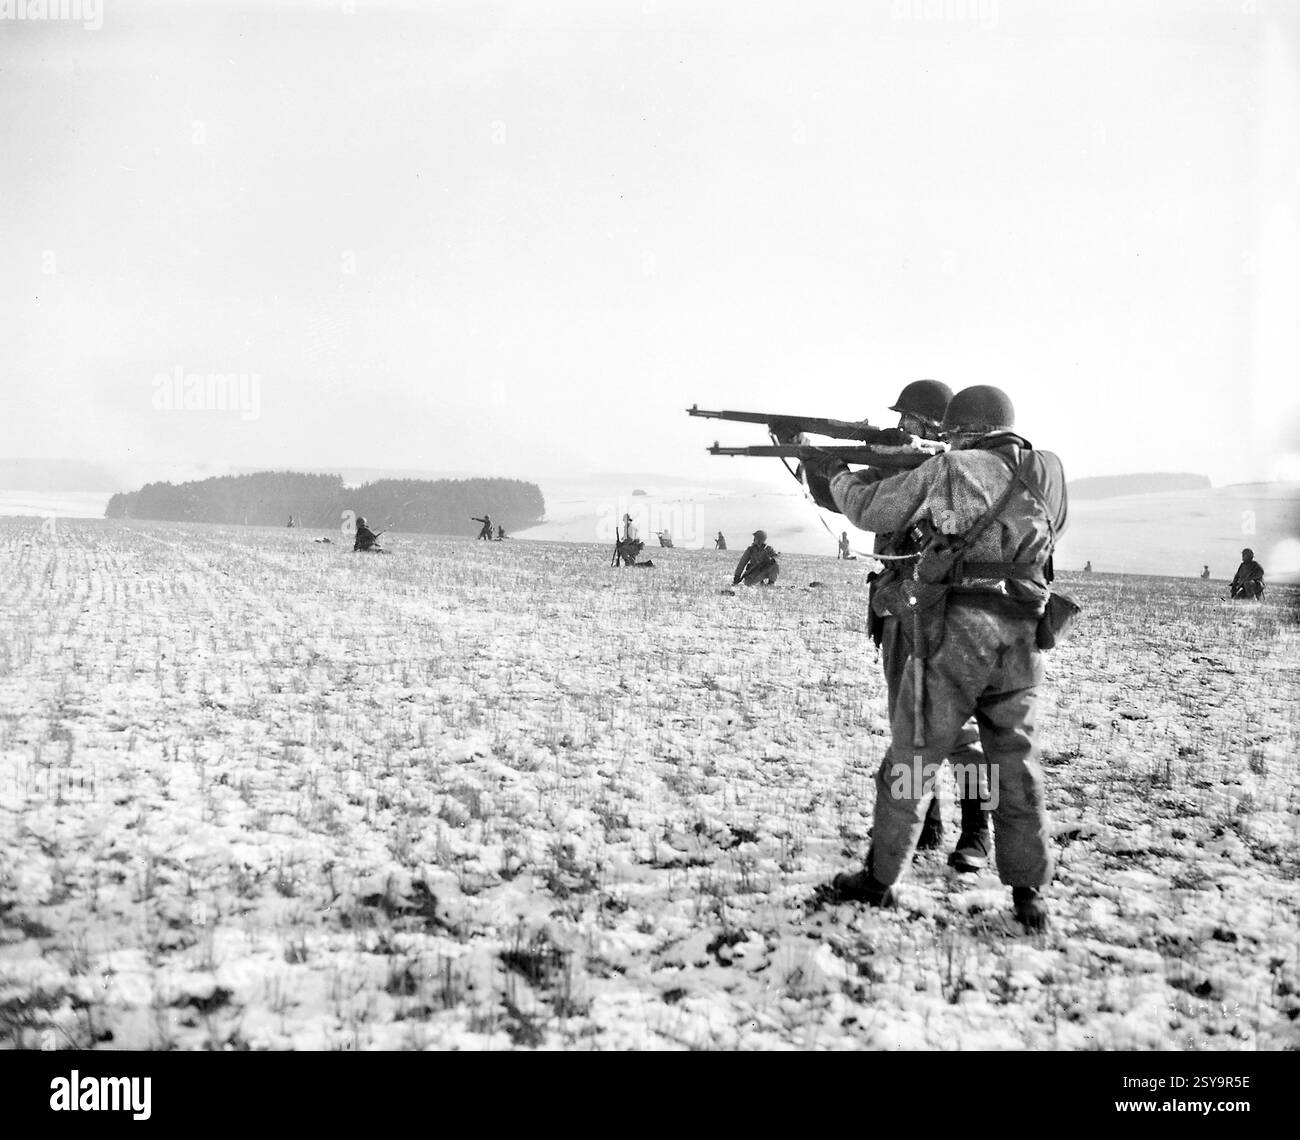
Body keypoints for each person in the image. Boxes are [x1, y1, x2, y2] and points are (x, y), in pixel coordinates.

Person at [805, 385, 1068, 931]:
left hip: (958, 626)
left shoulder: (952, 467)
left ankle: (879, 879)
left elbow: (867, 506)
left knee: (913, 755)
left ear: (962, 428)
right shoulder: (1050, 470)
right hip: (1023, 626)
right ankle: (1029, 896)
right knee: (1015, 760)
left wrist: (836, 474)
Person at [795, 379, 990, 865]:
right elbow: (848, 499)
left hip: (948, 613)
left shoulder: (949, 472)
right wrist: (806, 454)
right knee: (907, 730)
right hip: (901, 608)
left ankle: (975, 829)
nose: (899, 426)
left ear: (930, 428)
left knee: (962, 733)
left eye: (908, 420)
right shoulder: (904, 468)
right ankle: (923, 823)